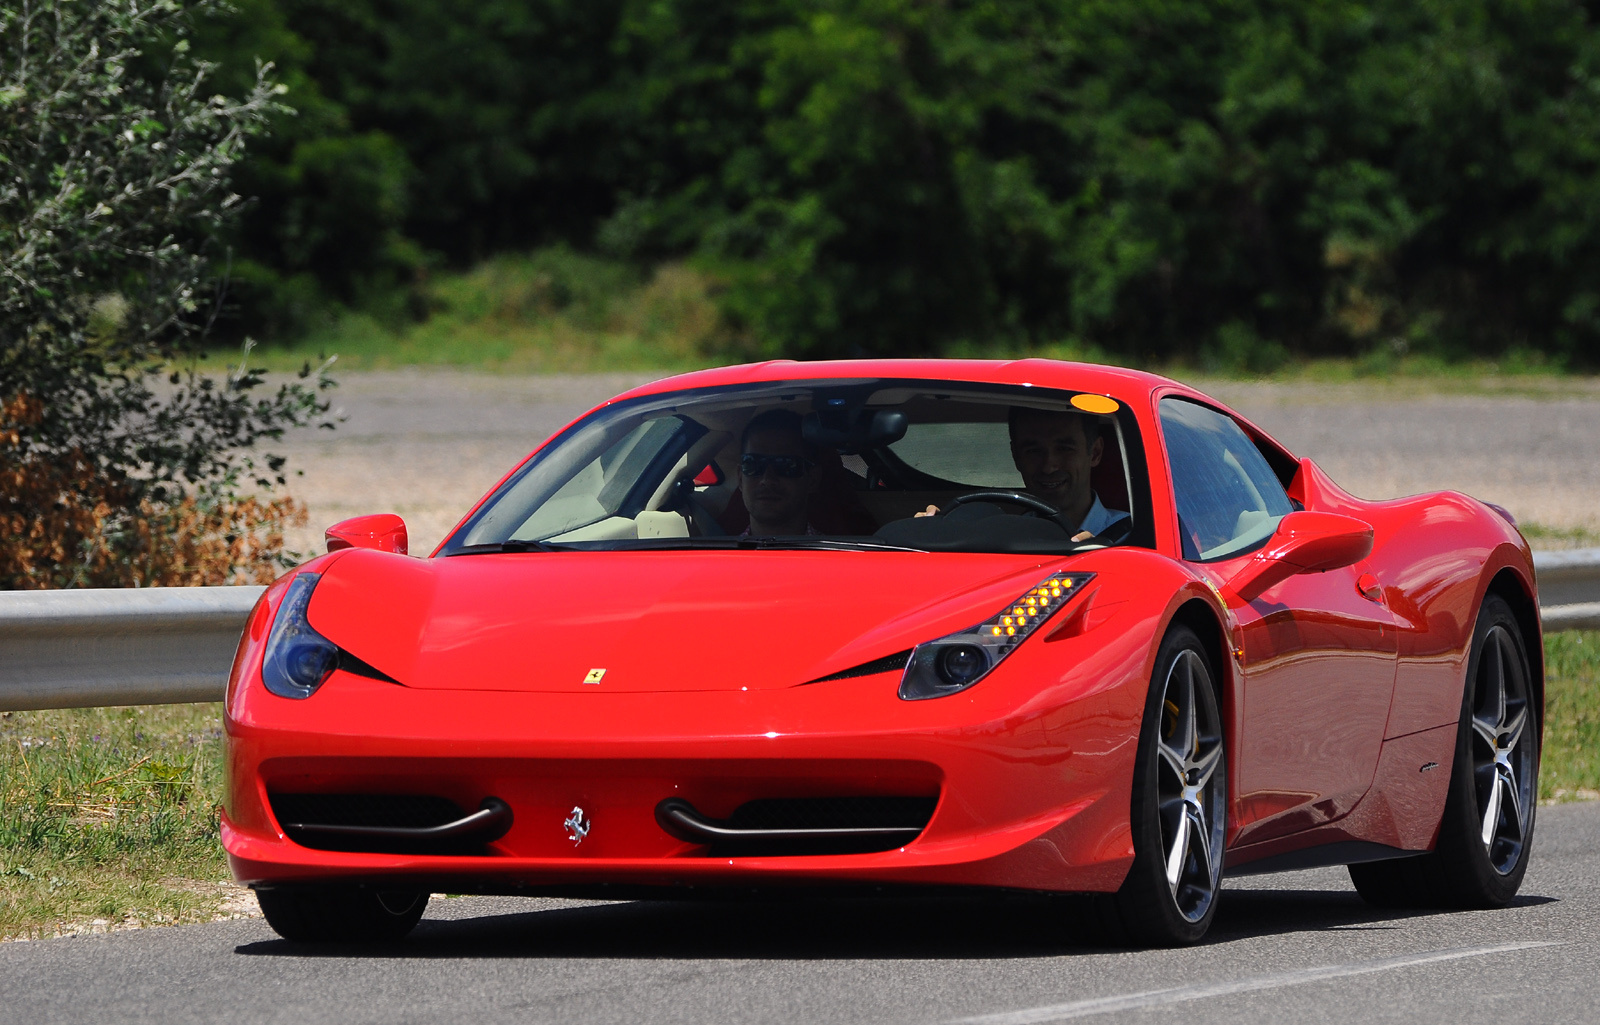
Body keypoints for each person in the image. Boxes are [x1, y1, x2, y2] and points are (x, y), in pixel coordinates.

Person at [918, 406, 1126, 541]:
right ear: (1016, 456)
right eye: (1033, 451)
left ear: (1095, 453)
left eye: (1064, 448)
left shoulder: (1136, 538)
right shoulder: (998, 537)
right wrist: (930, 535)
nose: (1048, 466)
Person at [737, 409, 822, 536]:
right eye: (753, 463)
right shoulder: (712, 555)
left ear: (812, 479)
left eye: (786, 464)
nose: (767, 479)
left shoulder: (841, 556)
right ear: (740, 479)